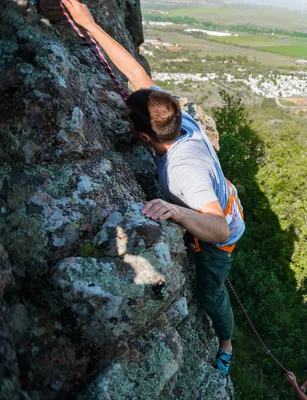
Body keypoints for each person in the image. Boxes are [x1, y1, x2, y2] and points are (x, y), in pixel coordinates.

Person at [62, 0, 245, 376]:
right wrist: (90, 25)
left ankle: (227, 343)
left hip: (221, 236)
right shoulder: (176, 118)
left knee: (212, 292)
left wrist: (177, 210)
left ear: (146, 137)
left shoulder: (182, 172)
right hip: (217, 196)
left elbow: (219, 228)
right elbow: (133, 71)